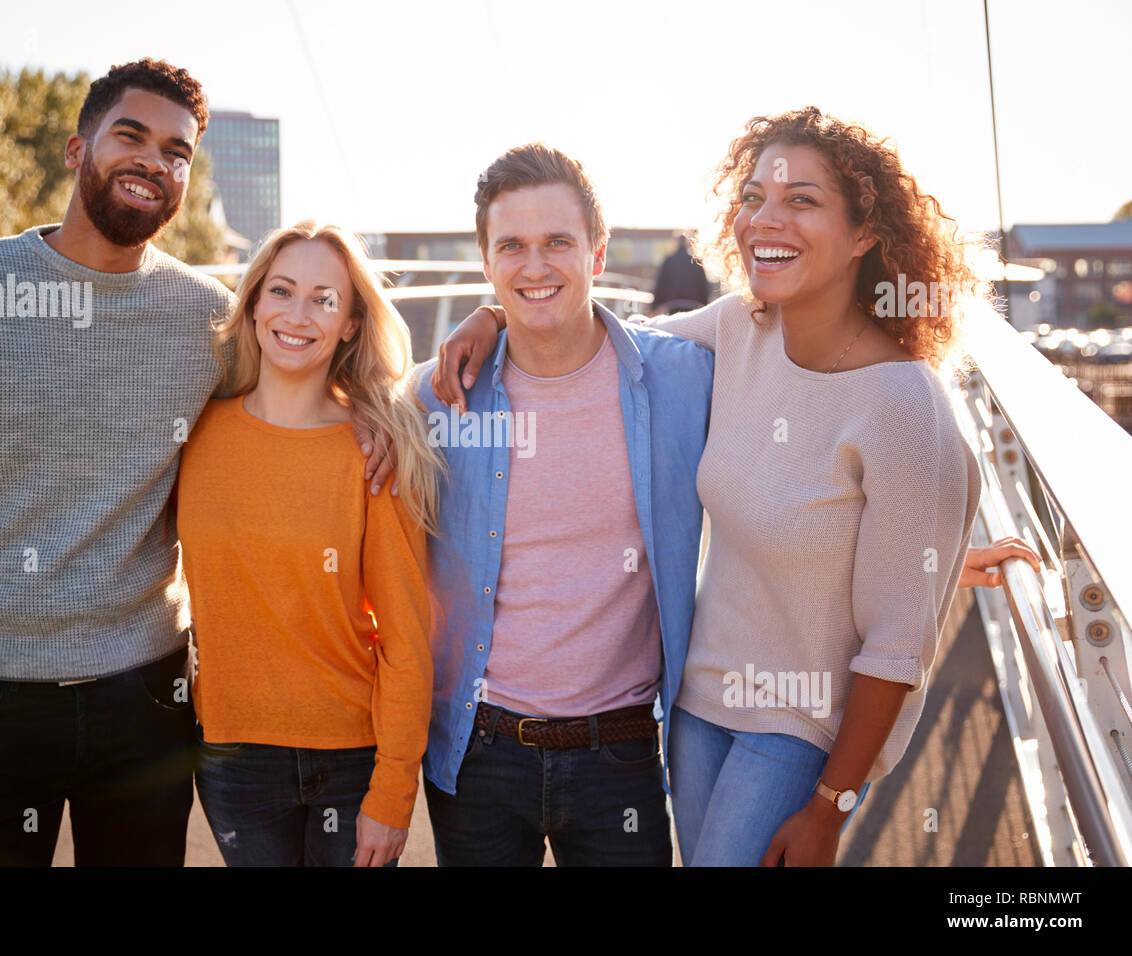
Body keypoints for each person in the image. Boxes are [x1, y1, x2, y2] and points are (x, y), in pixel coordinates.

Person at [432, 108, 1042, 866]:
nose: (766, 219)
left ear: (864, 234)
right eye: (754, 197)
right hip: (695, 707)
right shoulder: (737, 332)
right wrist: (492, 316)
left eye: (802, 200)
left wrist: (832, 806)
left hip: (797, 725)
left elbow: (898, 647)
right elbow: (591, 338)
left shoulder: (907, 408)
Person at [0, 58, 393, 867]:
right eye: (132, 136)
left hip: (152, 699)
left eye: (177, 151)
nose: (154, 160)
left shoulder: (211, 319)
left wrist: (427, 377)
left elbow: (310, 372)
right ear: (78, 150)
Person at [417, 143, 714, 866]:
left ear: (598, 253)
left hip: (622, 753)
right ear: (487, 262)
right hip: (477, 753)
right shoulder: (438, 396)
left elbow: (799, 382)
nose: (536, 265)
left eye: (558, 243)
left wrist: (913, 550)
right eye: (511, 246)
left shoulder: (684, 378)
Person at [176, 222, 439, 867]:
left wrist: (393, 793)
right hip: (233, 756)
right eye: (282, 291)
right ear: (255, 302)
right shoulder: (195, 433)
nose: (299, 316)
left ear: (350, 323)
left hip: (350, 760)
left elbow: (408, 638)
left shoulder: (375, 453)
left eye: (325, 300)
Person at [652, 233, 710, 313]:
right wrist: (705, 304)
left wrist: (654, 306)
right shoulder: (696, 262)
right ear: (688, 244)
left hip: (673, 305)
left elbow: (661, 284)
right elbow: (703, 285)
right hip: (693, 305)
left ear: (676, 243)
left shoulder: (669, 261)